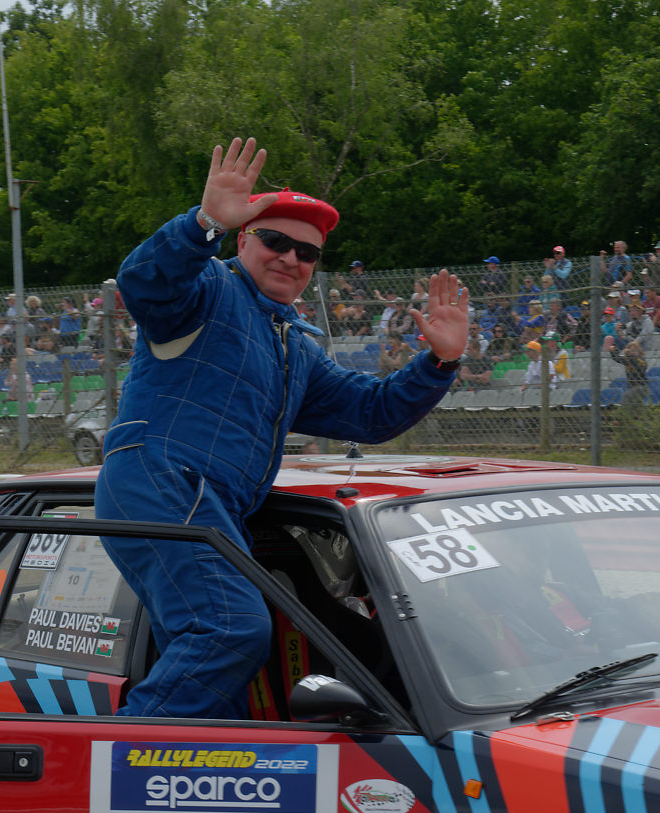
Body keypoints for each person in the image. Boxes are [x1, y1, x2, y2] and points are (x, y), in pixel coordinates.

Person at [96, 137, 461, 718]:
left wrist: (438, 364)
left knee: (217, 655)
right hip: (160, 479)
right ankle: (120, 772)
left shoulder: (296, 343)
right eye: (276, 241)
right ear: (243, 238)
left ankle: (189, 786)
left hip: (212, 503)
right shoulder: (206, 288)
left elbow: (370, 413)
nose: (292, 259)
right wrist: (203, 221)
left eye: (307, 253)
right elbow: (143, 282)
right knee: (232, 630)